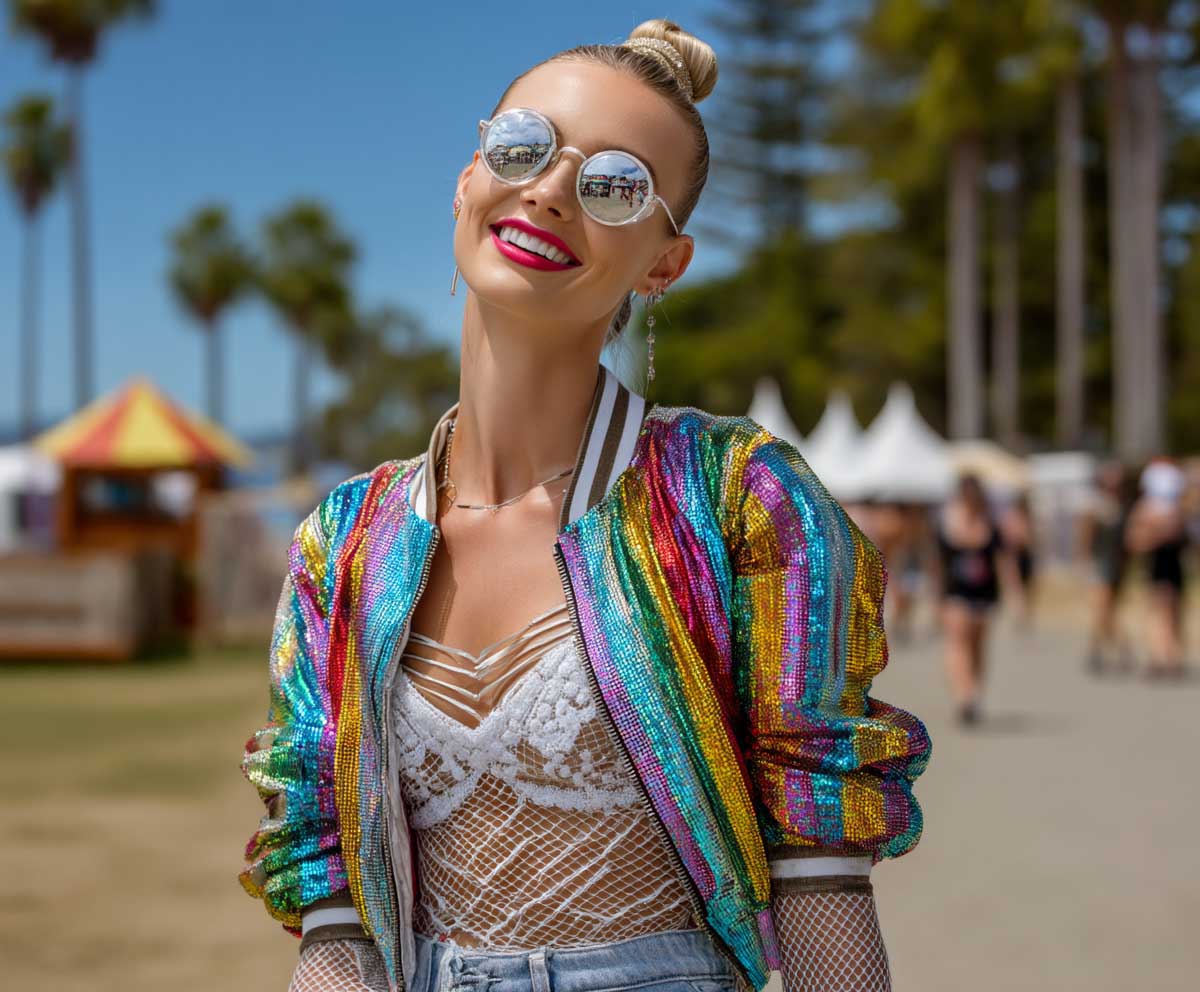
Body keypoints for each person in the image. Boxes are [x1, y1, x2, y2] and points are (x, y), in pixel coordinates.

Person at [238, 20, 930, 992]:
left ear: (664, 262)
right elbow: (332, 905)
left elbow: (821, 874)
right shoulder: (344, 541)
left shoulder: (736, 496)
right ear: (467, 179)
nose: (553, 187)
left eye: (615, 183)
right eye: (521, 145)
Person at [935, 474, 1001, 726]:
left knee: (977, 646)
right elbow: (936, 562)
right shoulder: (945, 520)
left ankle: (974, 692)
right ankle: (964, 695)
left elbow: (1002, 560)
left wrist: (1015, 594)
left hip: (984, 593)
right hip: (955, 592)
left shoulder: (990, 522)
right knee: (958, 642)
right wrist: (937, 597)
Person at [1125, 460, 1190, 679]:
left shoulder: (1179, 509)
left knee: (1174, 611)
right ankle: (1160, 656)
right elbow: (1134, 541)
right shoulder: (1146, 509)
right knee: (1159, 611)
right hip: (1156, 566)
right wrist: (1158, 534)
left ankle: (1172, 655)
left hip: (1176, 566)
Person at [1081, 461, 1133, 674]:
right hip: (1099, 560)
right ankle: (1118, 647)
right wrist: (1084, 560)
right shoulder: (1095, 505)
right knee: (1102, 606)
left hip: (1117, 563)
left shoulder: (1124, 505)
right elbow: (1085, 535)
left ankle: (1099, 648)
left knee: (1109, 608)